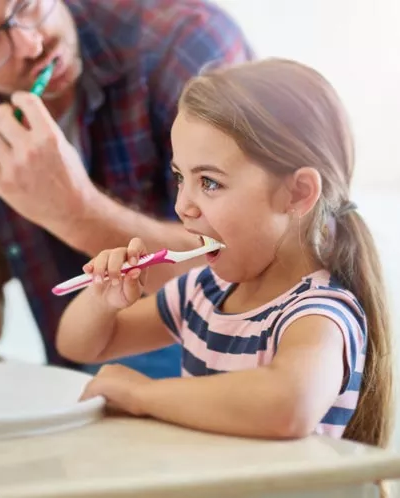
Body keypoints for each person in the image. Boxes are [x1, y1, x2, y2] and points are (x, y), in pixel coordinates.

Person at [57, 58, 393, 447]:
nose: (184, 205)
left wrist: (142, 395)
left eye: (210, 183)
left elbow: (289, 404)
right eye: (181, 177)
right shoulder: (202, 292)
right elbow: (81, 345)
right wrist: (103, 300)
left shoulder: (317, 312)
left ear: (298, 193)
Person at [0, 0, 253, 376]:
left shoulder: (185, 44)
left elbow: (247, 264)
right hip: (83, 387)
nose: (30, 44)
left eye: (27, 5)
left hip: (227, 378)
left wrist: (77, 212)